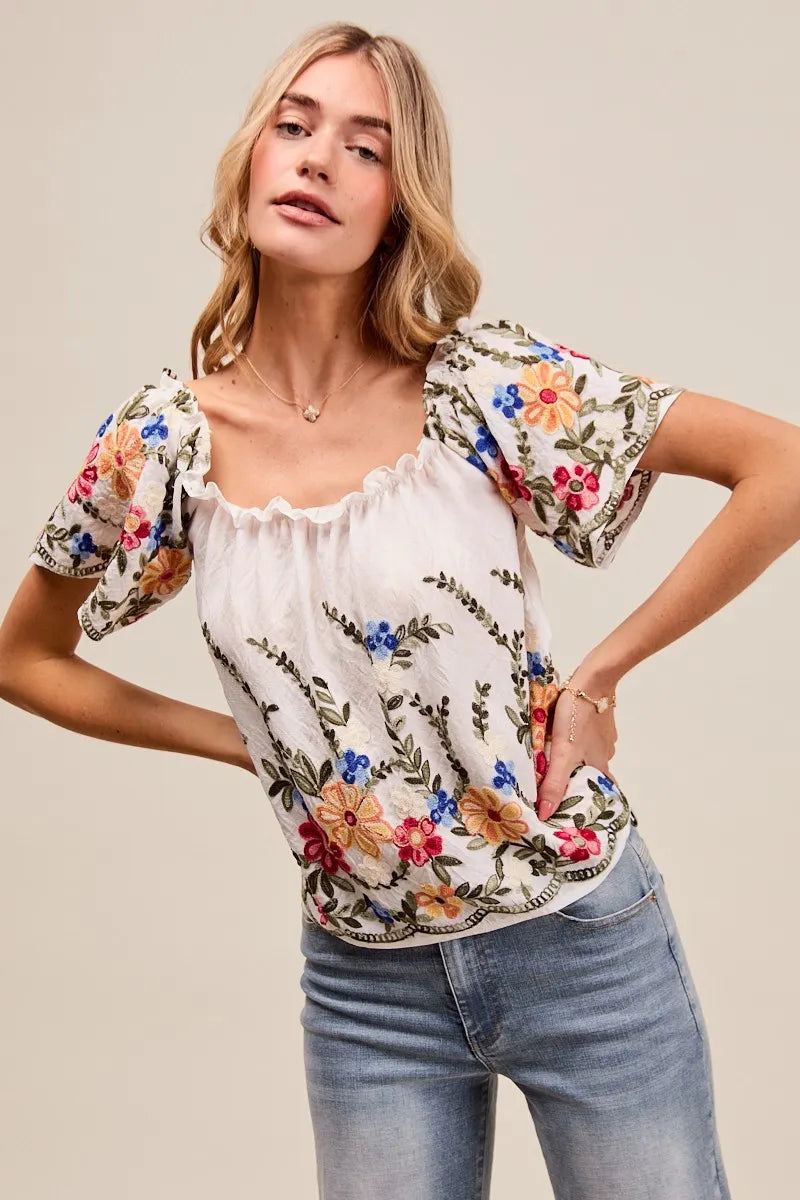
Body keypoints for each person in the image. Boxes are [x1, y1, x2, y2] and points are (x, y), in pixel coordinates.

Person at [2, 19, 797, 1200]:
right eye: (294, 124)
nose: (317, 159)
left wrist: (597, 676)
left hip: (578, 939)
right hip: (365, 982)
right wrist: (253, 748)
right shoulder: (163, 442)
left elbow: (778, 466)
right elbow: (25, 658)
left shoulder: (478, 389)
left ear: (398, 204)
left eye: (364, 147)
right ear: (250, 161)